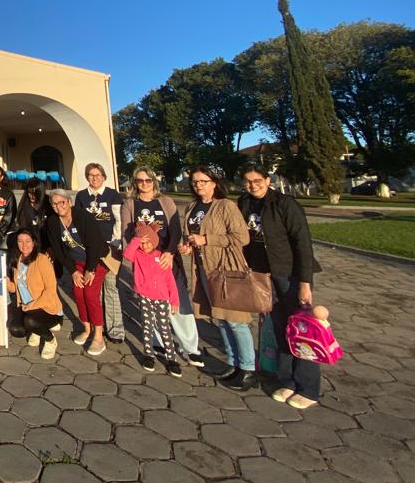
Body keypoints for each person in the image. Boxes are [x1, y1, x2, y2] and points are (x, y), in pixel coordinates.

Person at [238, 164, 321, 408]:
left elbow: (302, 243)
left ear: (267, 180)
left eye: (257, 180)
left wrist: (305, 282)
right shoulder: (244, 203)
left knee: (301, 330)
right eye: (248, 181)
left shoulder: (285, 204)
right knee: (279, 328)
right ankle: (288, 381)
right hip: (262, 275)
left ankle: (308, 388)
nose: (253, 185)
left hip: (288, 274)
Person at [181, 166, 256, 391]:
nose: (198, 185)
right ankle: (233, 363)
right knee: (220, 318)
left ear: (214, 183)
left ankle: (248, 369)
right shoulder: (192, 207)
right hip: (204, 269)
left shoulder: (225, 206)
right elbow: (190, 235)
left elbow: (242, 237)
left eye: (203, 181)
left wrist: (206, 239)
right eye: (195, 182)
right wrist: (187, 246)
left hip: (226, 269)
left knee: (235, 320)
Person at [123, 166, 204, 367]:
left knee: (179, 302)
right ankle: (158, 343)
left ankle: (190, 347)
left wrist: (169, 252)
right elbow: (127, 232)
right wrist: (140, 249)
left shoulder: (165, 201)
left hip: (167, 258)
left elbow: (175, 230)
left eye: (148, 180)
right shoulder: (130, 204)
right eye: (140, 180)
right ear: (135, 183)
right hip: (145, 261)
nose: (144, 184)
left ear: (154, 181)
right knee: (150, 305)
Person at [45, 188, 108, 355]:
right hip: (77, 263)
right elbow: (58, 250)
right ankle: (87, 329)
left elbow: (95, 244)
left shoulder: (83, 217)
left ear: (69, 202)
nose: (59, 206)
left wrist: (91, 269)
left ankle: (99, 336)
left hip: (96, 261)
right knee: (78, 294)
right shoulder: (52, 222)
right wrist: (73, 271)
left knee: (90, 294)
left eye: (62, 202)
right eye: (54, 204)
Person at [124, 222, 182, 376]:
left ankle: (171, 358)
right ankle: (148, 354)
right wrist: (137, 240)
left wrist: (174, 300)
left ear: (155, 241)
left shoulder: (161, 257)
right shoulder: (137, 255)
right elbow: (127, 254)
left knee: (165, 328)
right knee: (147, 326)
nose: (145, 246)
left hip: (161, 298)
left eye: (148, 242)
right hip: (145, 296)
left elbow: (170, 281)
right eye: (143, 243)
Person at [75, 163, 124, 344]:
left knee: (110, 288)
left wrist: (115, 244)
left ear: (103, 176)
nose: (94, 178)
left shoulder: (113, 195)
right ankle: (98, 326)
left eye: (98, 175)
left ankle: (115, 329)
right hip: (89, 250)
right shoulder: (82, 196)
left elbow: (119, 220)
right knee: (94, 291)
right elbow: (78, 222)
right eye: (91, 175)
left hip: (109, 249)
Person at [6, 229, 63, 360]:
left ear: (34, 243)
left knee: (30, 321)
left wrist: (32, 305)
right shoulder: (17, 260)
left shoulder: (42, 259)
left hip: (46, 307)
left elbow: (50, 290)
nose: (24, 245)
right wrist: (7, 283)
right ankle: (37, 329)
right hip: (26, 306)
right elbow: (16, 288)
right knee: (15, 329)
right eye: (20, 241)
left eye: (28, 241)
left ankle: (50, 340)